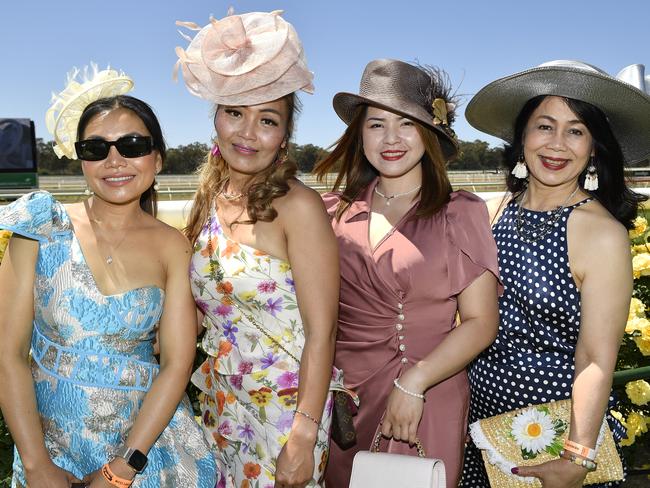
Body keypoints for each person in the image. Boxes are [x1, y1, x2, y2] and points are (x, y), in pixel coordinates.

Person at [0, 66, 217, 488]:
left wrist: (121, 469)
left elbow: (176, 364)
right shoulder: (41, 224)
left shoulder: (173, 246)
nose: (114, 160)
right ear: (81, 158)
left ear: (157, 156)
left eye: (132, 145)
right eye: (96, 148)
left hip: (146, 450)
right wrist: (36, 464)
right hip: (49, 452)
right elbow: (8, 352)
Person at [313, 58, 502, 488]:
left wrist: (414, 383)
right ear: (359, 135)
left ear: (430, 134)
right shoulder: (332, 211)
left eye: (407, 124)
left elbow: (480, 322)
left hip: (427, 391)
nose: (391, 139)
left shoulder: (460, 212)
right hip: (346, 398)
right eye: (377, 125)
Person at [460, 60, 650, 488]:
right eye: (544, 126)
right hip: (479, 428)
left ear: (594, 147)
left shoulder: (600, 233)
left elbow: (596, 358)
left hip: (553, 440)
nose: (558, 144)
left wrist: (577, 457)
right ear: (522, 136)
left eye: (576, 130)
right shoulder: (496, 211)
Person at [175, 10, 342, 488]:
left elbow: (322, 332)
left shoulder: (299, 207)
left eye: (266, 120)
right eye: (235, 113)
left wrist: (304, 437)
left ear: (285, 137)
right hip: (220, 404)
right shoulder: (208, 197)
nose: (247, 133)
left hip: (285, 414)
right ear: (217, 119)